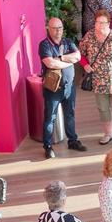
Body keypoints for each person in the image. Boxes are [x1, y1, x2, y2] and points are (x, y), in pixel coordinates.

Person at [80, 10, 112, 149]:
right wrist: (85, 64)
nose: (100, 25)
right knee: (103, 109)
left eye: (103, 22)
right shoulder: (89, 36)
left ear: (108, 23)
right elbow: (80, 53)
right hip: (98, 82)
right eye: (98, 22)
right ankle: (108, 134)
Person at [38, 16, 86, 157]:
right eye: (55, 28)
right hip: (53, 89)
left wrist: (60, 58)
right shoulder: (44, 45)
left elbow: (77, 56)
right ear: (49, 29)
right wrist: (68, 62)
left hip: (69, 87)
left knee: (70, 114)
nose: (58, 31)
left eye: (60, 28)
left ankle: (72, 141)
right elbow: (50, 64)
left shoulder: (68, 42)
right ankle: (48, 146)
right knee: (50, 118)